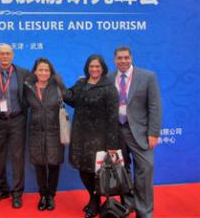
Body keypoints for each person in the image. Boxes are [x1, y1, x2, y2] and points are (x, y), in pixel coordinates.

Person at [108, 46, 162, 218]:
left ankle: (144, 211)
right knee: (121, 171)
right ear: (114, 60)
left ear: (131, 58)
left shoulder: (147, 77)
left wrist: (153, 132)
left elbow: (155, 106)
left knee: (145, 170)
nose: (123, 61)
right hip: (116, 131)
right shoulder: (108, 78)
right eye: (119, 58)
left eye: (126, 57)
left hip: (140, 133)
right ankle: (128, 204)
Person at [63, 54, 119, 218]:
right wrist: (56, 81)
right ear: (87, 68)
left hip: (99, 137)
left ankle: (95, 201)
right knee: (83, 169)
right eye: (91, 67)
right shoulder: (81, 83)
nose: (94, 69)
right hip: (80, 134)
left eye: (97, 67)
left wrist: (112, 144)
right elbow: (70, 99)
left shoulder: (109, 88)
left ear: (103, 69)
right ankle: (93, 198)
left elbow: (113, 117)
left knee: (97, 172)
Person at [0, 44, 29, 208]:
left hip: (17, 119)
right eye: (2, 54)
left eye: (8, 54)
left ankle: (17, 193)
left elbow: (34, 89)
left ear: (12, 56)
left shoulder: (23, 72)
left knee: (18, 157)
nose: (5, 56)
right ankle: (2, 189)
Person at [23, 58, 65, 211]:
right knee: (39, 166)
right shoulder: (28, 88)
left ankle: (51, 196)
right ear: (35, 71)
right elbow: (21, 106)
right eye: (40, 70)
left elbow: (72, 99)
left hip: (55, 132)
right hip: (36, 133)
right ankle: (43, 195)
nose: (43, 73)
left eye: (46, 70)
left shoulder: (58, 87)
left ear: (50, 72)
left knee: (54, 165)